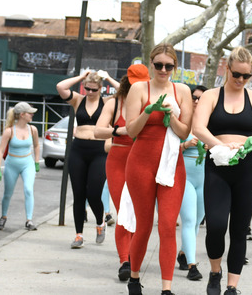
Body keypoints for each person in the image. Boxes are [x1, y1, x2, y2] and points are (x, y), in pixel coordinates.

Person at [191, 47, 252, 295]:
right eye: (237, 74)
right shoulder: (211, 95)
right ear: (227, 69)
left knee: (239, 229)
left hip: (248, 166)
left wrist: (249, 142)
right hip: (219, 165)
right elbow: (199, 128)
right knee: (216, 224)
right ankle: (215, 272)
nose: (241, 80)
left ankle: (232, 286)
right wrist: (222, 146)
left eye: (246, 76)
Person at [123, 44, 194, 295]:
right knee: (143, 224)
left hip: (172, 164)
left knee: (167, 225)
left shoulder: (182, 90)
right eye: (158, 65)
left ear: (175, 67)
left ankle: (166, 287)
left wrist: (170, 119)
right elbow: (131, 131)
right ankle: (134, 278)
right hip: (141, 162)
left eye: (169, 66)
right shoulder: (139, 89)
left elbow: (185, 131)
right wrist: (148, 112)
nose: (163, 70)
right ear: (151, 64)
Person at [94, 63, 149, 282]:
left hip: (143, 161)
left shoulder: (151, 100)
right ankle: (124, 261)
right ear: (127, 82)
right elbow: (98, 131)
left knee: (140, 214)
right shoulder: (115, 103)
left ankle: (133, 257)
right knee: (123, 213)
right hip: (118, 159)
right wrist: (119, 130)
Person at [56, 69, 120, 249]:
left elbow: (125, 91)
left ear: (101, 88)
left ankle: (100, 224)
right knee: (78, 194)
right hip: (78, 150)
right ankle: (79, 235)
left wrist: (108, 78)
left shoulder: (107, 102)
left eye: (94, 89)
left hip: (99, 150)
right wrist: (82, 77)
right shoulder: (78, 100)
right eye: (88, 89)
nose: (90, 93)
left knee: (93, 192)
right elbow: (61, 86)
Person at [175, 84, 208, 282]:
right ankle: (192, 265)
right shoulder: (182, 120)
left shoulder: (210, 122)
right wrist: (186, 144)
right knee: (188, 220)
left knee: (196, 221)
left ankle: (183, 253)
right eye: (194, 97)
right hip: (185, 176)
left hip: (205, 178)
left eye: (201, 98)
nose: (197, 101)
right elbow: (167, 148)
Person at [0, 102, 41, 231]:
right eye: (29, 113)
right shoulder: (9, 131)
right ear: (22, 115)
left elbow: (36, 146)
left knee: (28, 189)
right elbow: (0, 151)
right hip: (11, 164)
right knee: (8, 193)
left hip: (27, 164)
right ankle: (3, 217)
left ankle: (29, 220)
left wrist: (36, 162)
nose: (32, 114)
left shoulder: (33, 129)